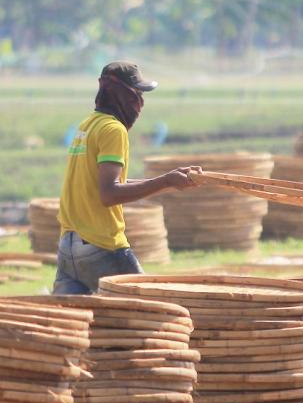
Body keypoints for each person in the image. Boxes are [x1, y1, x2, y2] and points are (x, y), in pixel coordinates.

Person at [53, 60, 201, 294]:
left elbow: (103, 184)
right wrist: (165, 181)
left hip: (68, 248)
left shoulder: (87, 125)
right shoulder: (113, 130)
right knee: (149, 312)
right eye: (137, 93)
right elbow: (109, 193)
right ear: (121, 93)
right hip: (101, 246)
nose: (140, 101)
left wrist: (169, 181)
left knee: (71, 324)